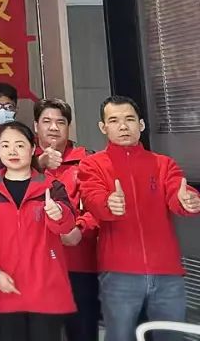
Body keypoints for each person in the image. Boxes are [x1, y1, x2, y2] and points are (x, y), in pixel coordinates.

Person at [78, 96, 200, 341]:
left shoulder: (163, 164)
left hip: (167, 272)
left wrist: (188, 200)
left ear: (141, 124)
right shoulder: (92, 165)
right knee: (120, 336)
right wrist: (108, 203)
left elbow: (177, 191)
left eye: (129, 119)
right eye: (114, 120)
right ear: (103, 127)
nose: (123, 126)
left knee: (172, 336)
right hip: (119, 273)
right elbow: (92, 197)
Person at [0, 122, 75, 340]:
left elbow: (67, 225)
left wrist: (58, 213)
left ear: (32, 149)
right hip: (3, 290)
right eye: (5, 145)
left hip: (46, 291)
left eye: (20, 145)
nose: (12, 151)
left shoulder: (51, 187)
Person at [33, 98, 99, 341]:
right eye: (46, 121)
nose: (53, 127)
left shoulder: (87, 161)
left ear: (69, 127)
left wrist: (81, 229)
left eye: (60, 122)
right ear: (36, 125)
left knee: (83, 332)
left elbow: (97, 206)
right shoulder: (21, 160)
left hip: (78, 264)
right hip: (37, 267)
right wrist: (37, 165)